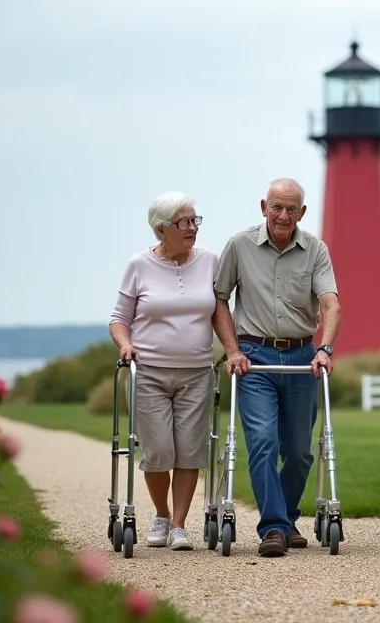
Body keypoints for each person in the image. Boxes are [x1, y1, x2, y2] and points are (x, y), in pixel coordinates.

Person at [213, 177, 342, 558]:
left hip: (303, 356)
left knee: (301, 451)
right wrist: (232, 350)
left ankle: (285, 518)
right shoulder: (238, 246)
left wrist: (326, 348)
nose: (283, 215)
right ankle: (273, 528)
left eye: (291, 209)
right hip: (254, 357)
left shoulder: (316, 249)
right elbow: (220, 300)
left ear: (301, 212)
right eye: (277, 207)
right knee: (263, 443)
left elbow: (331, 304)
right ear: (263, 207)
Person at [108, 191, 223, 551]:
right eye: (183, 222)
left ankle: (178, 525)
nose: (192, 228)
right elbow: (118, 319)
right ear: (161, 230)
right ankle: (160, 513)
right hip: (150, 373)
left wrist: (231, 349)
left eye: (194, 220)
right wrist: (125, 345)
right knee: (157, 450)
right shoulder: (139, 265)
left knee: (190, 449)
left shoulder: (209, 262)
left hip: (196, 371)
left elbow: (219, 312)